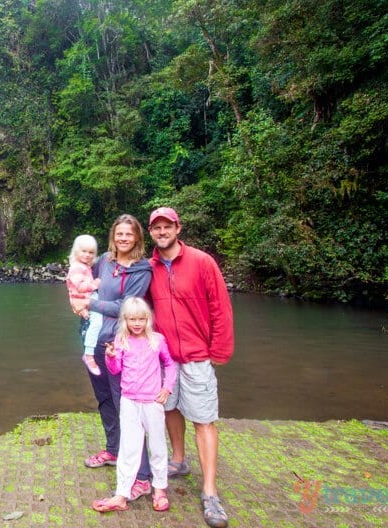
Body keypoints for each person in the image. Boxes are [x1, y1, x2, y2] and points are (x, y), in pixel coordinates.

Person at [147, 207, 235, 528]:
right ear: (151, 232)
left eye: (166, 226)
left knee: (204, 419)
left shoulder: (202, 262)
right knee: (169, 408)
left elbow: (220, 307)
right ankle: (179, 461)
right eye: (156, 227)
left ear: (178, 228)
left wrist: (219, 350)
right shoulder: (149, 268)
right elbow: (136, 308)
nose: (162, 231)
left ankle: (210, 492)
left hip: (198, 355)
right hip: (165, 358)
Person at [70, 214, 154, 500]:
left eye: (128, 235)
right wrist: (75, 300)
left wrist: (90, 303)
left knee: (128, 407)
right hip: (94, 342)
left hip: (121, 345)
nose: (123, 239)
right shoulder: (104, 260)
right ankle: (114, 450)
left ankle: (142, 475)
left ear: (138, 238)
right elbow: (80, 277)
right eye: (119, 234)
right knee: (105, 399)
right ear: (113, 236)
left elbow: (126, 307)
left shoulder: (142, 270)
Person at [92, 297, 176, 513]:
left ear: (148, 319)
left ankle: (159, 489)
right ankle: (121, 493)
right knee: (129, 447)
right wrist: (110, 357)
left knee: (157, 446)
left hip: (152, 402)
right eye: (132, 319)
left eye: (141, 319)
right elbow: (115, 370)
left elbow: (169, 364)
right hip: (129, 401)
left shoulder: (157, 340)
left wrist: (167, 387)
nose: (137, 323)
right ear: (125, 320)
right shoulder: (121, 340)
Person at [65, 234, 102, 376]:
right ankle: (89, 354)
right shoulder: (76, 267)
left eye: (91, 252)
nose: (87, 255)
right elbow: (79, 286)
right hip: (85, 299)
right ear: (76, 251)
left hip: (87, 299)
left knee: (96, 322)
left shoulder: (84, 266)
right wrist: (95, 284)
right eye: (84, 251)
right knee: (97, 323)